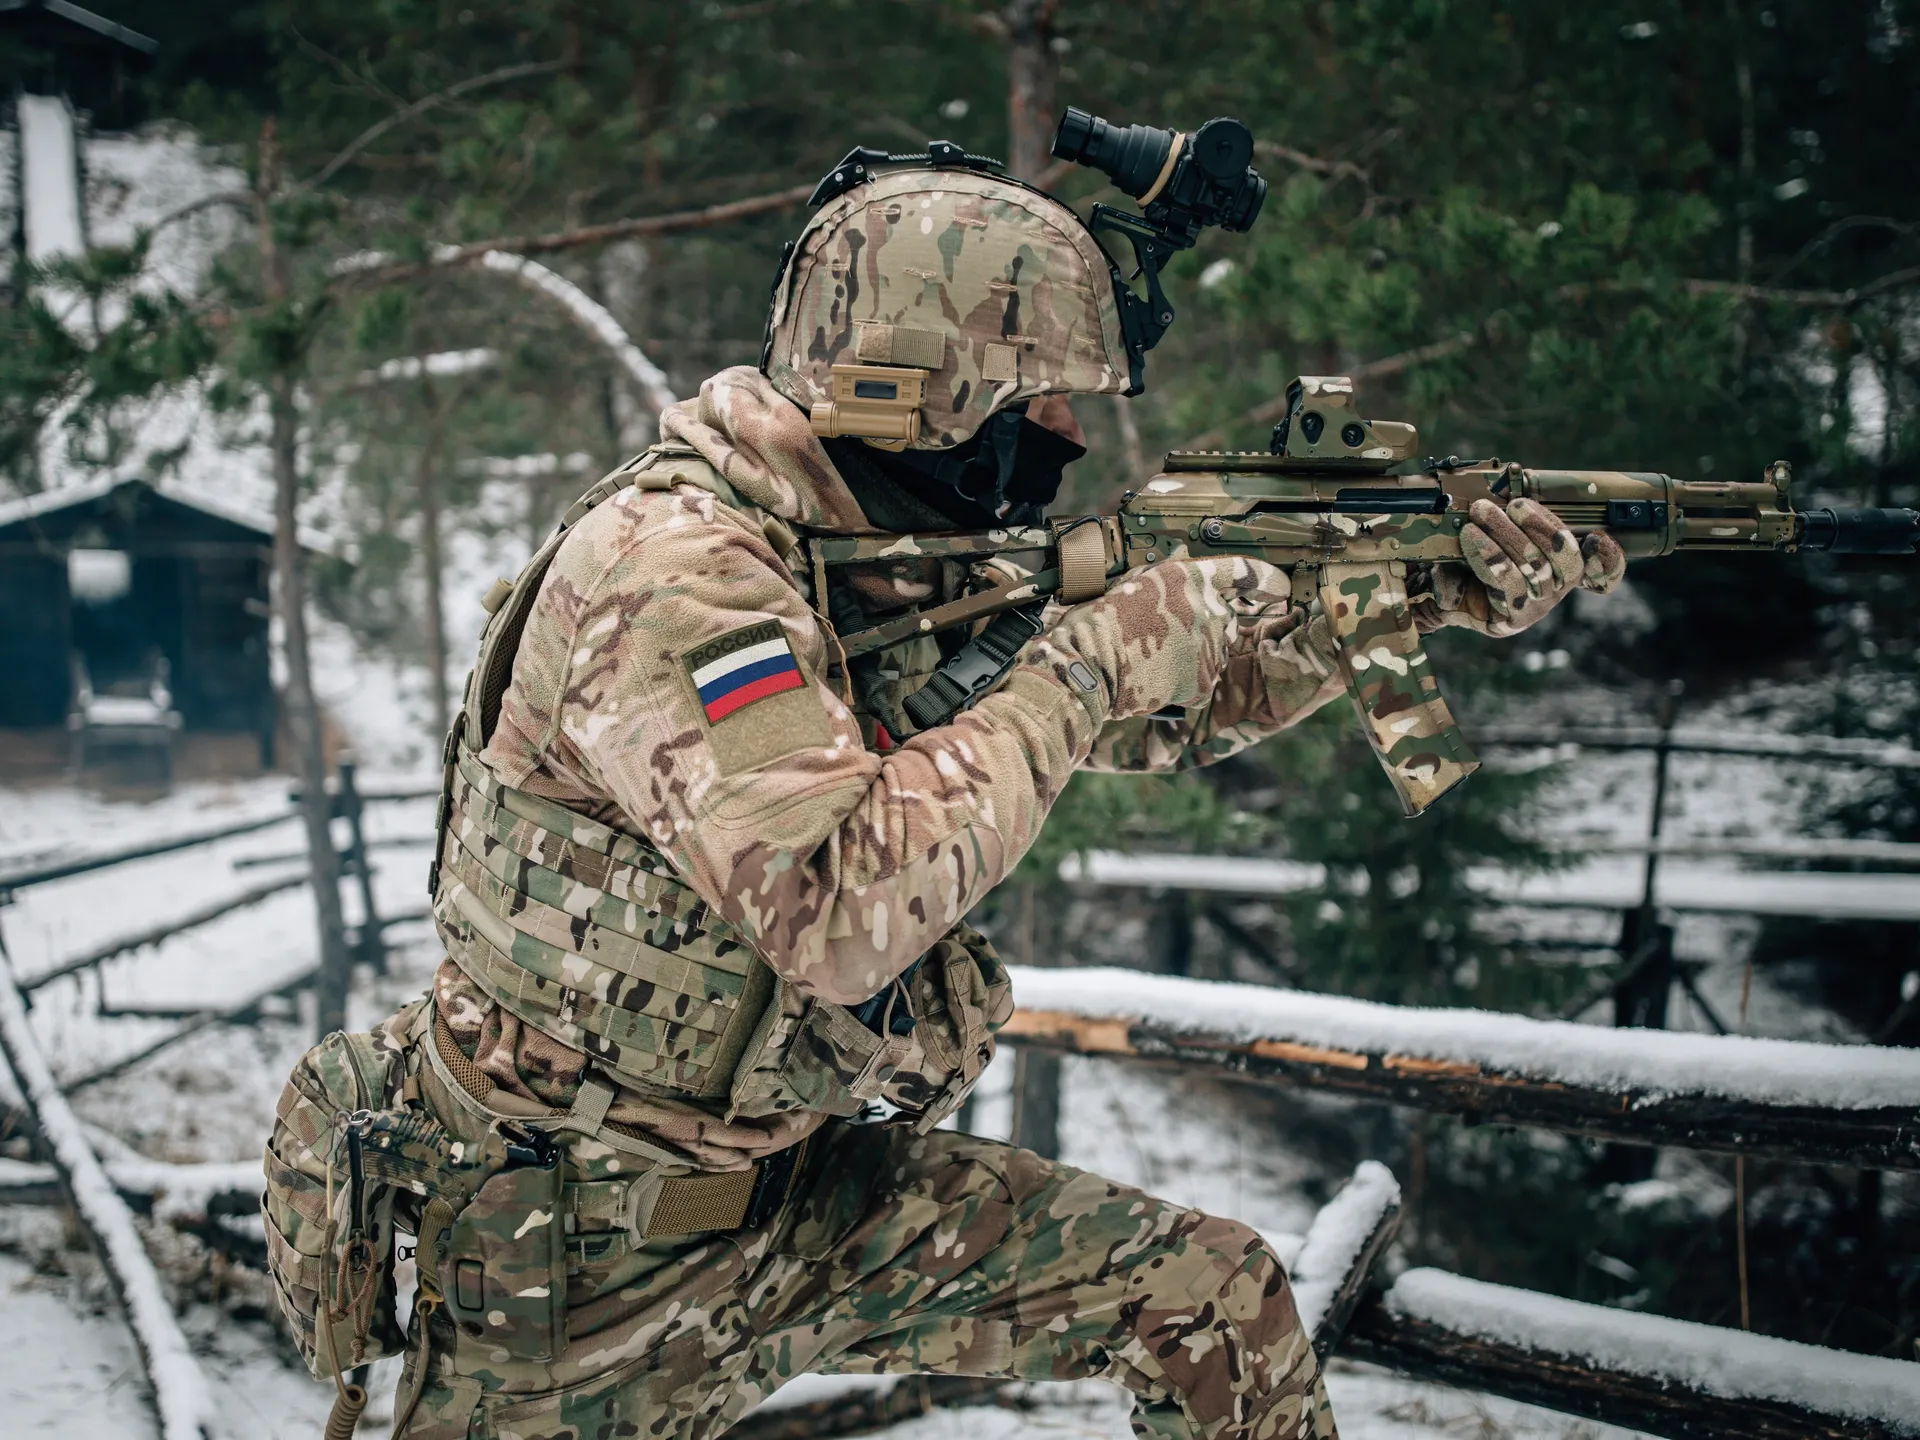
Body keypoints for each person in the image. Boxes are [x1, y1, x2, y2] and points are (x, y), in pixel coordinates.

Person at [264, 150, 1624, 1440]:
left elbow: (1157, 711)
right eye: (1042, 401)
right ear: (926, 392)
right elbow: (842, 905)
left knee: (1209, 1298)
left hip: (801, 1200)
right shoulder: (681, 575)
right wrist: (1089, 661)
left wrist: (1421, 593)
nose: (1074, 435)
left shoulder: (857, 554)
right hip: (575, 1266)